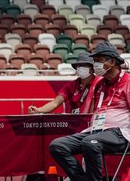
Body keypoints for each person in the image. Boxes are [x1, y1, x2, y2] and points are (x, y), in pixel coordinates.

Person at [50, 41, 130, 181]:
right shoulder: (99, 84)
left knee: (90, 142)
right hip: (96, 131)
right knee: (57, 146)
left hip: (120, 133)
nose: (95, 64)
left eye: (99, 60)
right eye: (95, 61)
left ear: (111, 61)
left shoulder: (128, 82)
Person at [29, 53, 101, 114]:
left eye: (85, 65)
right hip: (75, 122)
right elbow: (55, 103)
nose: (81, 68)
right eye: (79, 65)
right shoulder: (72, 85)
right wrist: (38, 110)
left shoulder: (99, 83)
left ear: (92, 69)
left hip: (92, 121)